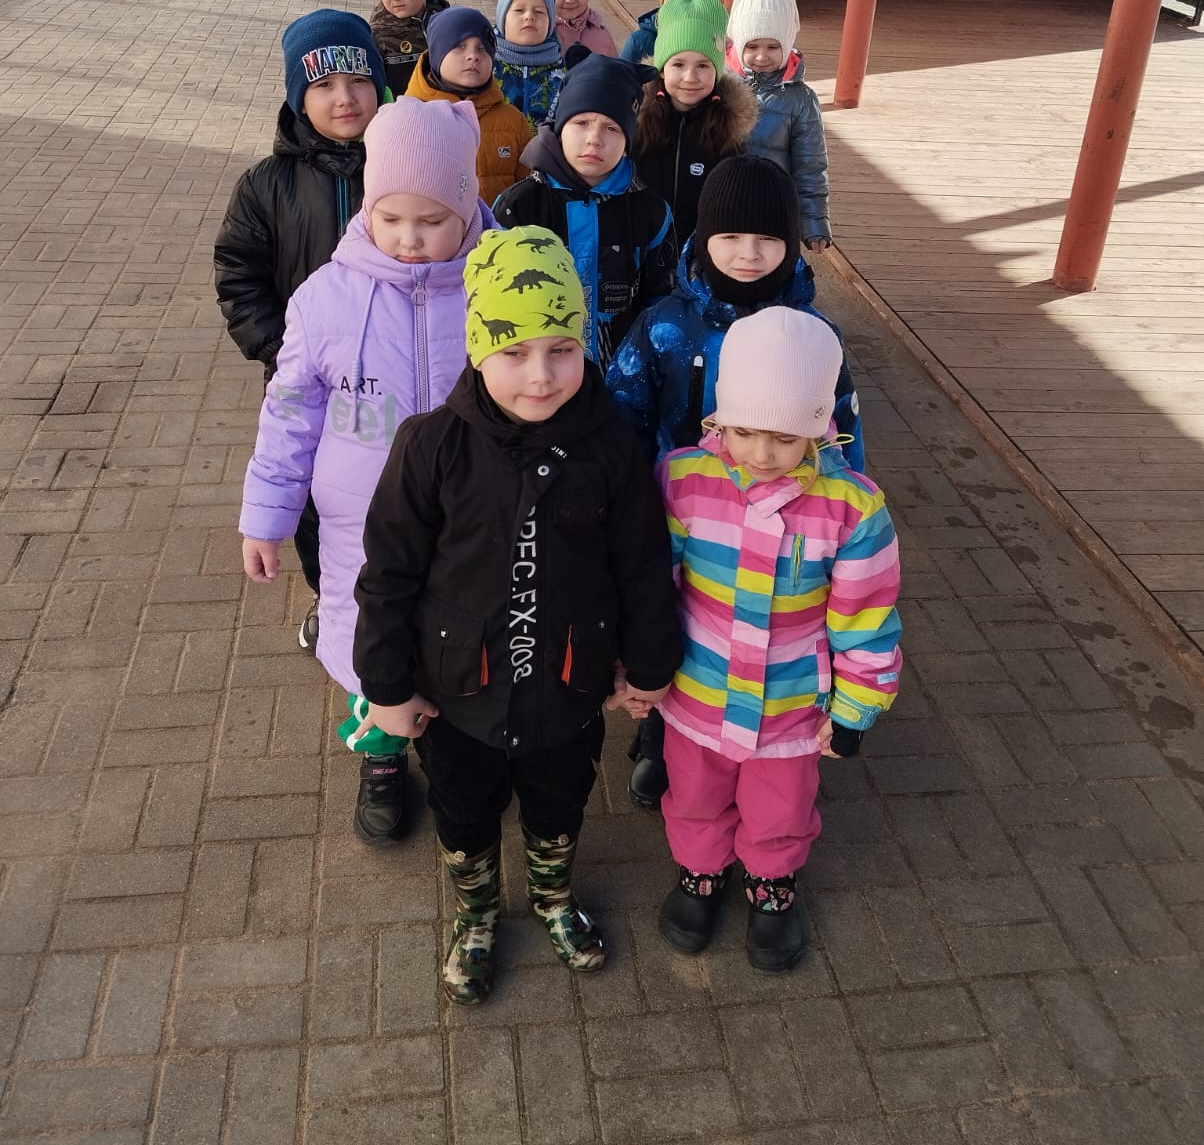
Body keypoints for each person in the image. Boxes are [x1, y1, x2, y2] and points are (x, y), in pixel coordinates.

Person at [351, 227, 683, 1005]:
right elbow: (389, 575)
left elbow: (641, 565)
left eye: (562, 350)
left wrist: (649, 667)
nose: (541, 375)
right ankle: (474, 914)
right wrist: (387, 687)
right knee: (463, 813)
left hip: (568, 691)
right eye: (514, 351)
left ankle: (553, 896)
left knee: (560, 804)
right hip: (456, 697)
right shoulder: (431, 446)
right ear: (477, 348)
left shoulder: (611, 449)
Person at [239, 97, 490, 847]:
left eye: (432, 221)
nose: (410, 239)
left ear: (467, 207)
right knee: (371, 641)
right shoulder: (326, 298)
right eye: (391, 218)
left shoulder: (497, 287)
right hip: (363, 525)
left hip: (471, 518)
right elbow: (289, 415)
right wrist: (267, 517)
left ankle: (464, 750)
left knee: (463, 637)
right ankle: (379, 752)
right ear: (367, 208)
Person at [604, 155, 864, 809]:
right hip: (683, 518)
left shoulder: (816, 337)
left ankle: (776, 748)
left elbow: (842, 433)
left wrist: (848, 516)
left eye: (768, 238)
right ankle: (663, 732)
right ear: (704, 237)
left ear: (790, 242)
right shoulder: (664, 324)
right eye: (731, 236)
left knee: (761, 631)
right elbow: (622, 416)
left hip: (788, 522)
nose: (749, 253)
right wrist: (621, 505)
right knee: (680, 623)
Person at [656, 306, 902, 971]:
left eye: (784, 437)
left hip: (790, 705)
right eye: (744, 431)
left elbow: (867, 616)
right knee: (695, 792)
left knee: (781, 805)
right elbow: (651, 586)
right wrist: (637, 666)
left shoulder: (852, 509)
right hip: (699, 689)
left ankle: (771, 880)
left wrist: (856, 708)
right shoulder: (684, 481)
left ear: (818, 425)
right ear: (720, 416)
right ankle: (700, 869)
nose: (761, 454)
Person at [215, 9, 387, 651]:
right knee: (320, 499)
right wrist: (278, 347)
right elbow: (238, 273)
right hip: (308, 384)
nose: (345, 98)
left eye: (359, 80)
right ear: (297, 97)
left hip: (392, 379)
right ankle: (331, 597)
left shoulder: (403, 166)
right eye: (323, 85)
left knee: (396, 490)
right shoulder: (267, 185)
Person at [493, 52, 676, 370]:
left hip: (620, 378)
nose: (594, 139)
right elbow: (494, 300)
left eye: (611, 128)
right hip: (538, 378)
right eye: (581, 123)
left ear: (628, 139)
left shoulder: (650, 212)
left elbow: (662, 300)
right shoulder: (518, 208)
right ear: (560, 126)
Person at [633, 0, 756, 247]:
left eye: (703, 65)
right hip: (641, 245)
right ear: (662, 70)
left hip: (699, 250)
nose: (690, 77)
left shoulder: (728, 127)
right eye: (678, 64)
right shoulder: (638, 120)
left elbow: (733, 200)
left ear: (717, 70)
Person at [726, 0, 831, 250]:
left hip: (774, 205)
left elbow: (810, 166)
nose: (762, 56)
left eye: (773, 46)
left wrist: (814, 223)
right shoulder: (720, 85)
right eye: (752, 46)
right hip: (724, 200)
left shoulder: (801, 100)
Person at [405, 6, 532, 204]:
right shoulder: (407, 117)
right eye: (460, 46)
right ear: (437, 53)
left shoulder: (513, 122)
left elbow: (529, 192)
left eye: (482, 48)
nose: (473, 56)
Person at [492, 0, 568, 126]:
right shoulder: (486, 67)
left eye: (539, 11)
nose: (529, 16)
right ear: (503, 19)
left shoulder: (564, 75)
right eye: (519, 10)